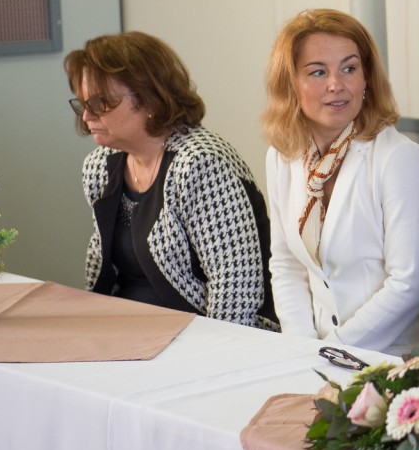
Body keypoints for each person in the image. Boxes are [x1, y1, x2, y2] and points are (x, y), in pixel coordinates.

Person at [262, 9, 419, 356]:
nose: (337, 84)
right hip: (314, 350)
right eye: (318, 72)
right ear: (290, 84)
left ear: (366, 79)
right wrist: (301, 349)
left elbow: (409, 285)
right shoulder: (282, 157)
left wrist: (332, 351)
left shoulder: (398, 158)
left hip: (395, 356)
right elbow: (286, 264)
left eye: (349, 68)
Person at [64, 32, 275, 327]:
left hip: (201, 333)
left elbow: (236, 288)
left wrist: (213, 351)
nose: (87, 117)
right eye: (83, 104)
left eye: (99, 103)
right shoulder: (100, 166)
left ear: (149, 100)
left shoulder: (201, 163)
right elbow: (103, 274)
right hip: (127, 326)